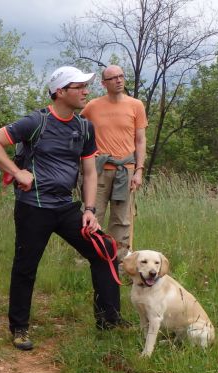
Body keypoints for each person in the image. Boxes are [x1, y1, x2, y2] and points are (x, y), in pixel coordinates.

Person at [0, 66, 126, 351]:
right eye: (80, 86)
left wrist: (89, 210)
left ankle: (109, 321)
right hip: (33, 207)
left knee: (105, 251)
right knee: (26, 267)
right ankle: (19, 328)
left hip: (66, 208)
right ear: (60, 92)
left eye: (87, 85)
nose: (87, 91)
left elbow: (89, 172)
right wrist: (18, 172)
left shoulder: (84, 127)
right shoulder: (37, 121)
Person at [80, 64, 147, 259]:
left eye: (121, 76)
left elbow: (140, 140)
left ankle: (117, 259)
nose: (118, 80)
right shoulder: (92, 106)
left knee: (121, 219)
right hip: (98, 169)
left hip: (125, 169)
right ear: (103, 83)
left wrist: (139, 170)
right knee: (93, 213)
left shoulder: (136, 105)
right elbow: (79, 131)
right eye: (113, 78)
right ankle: (89, 257)